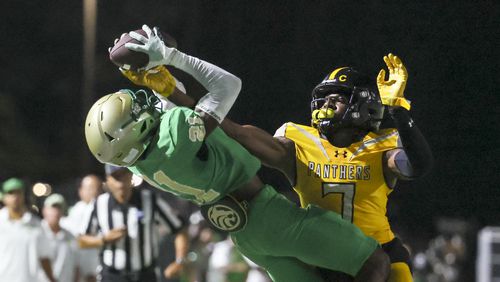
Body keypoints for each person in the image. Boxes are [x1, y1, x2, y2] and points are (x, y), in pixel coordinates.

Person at [84, 24, 390, 281]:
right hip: (267, 215)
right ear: (133, 130)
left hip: (246, 237)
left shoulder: (139, 163)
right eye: (134, 112)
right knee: (374, 261)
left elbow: (171, 107)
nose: (141, 107)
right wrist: (171, 56)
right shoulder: (174, 137)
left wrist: (146, 72)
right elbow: (227, 87)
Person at [218, 55, 433, 281]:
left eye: (336, 99)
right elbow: (241, 135)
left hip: (380, 252)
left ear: (363, 105)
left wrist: (399, 113)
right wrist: (203, 114)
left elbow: (418, 166)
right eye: (323, 99)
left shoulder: (381, 146)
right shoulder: (299, 142)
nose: (325, 105)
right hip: (322, 257)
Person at [78, 164, 189, 282]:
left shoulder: (150, 200)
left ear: (131, 175)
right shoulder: (98, 204)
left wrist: (180, 260)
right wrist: (103, 239)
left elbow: (179, 228)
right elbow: (81, 240)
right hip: (112, 276)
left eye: (124, 175)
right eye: (116, 177)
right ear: (108, 179)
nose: (121, 182)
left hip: (145, 275)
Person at [0, 178, 57, 282]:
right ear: (4, 197)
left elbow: (44, 257)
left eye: (18, 192)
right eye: (11, 193)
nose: (15, 197)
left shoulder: (36, 224)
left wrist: (52, 279)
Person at [61, 174, 104, 282]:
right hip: (83, 272)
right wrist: (104, 240)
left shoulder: (105, 208)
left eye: (98, 188)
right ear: (80, 191)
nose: (94, 192)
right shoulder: (77, 212)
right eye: (90, 188)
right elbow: (78, 242)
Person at [40, 193, 79, 282]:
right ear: (44, 210)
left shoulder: (70, 236)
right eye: (53, 207)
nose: (56, 212)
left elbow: (76, 265)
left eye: (59, 208)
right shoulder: (37, 234)